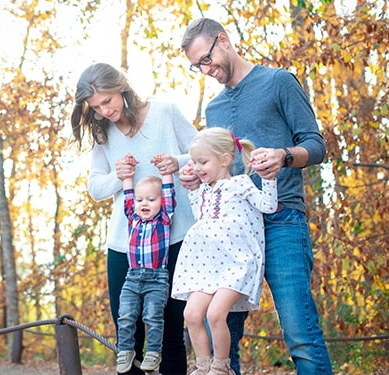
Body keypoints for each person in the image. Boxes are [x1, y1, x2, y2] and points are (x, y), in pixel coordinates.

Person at [179, 18, 333, 375]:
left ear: (223, 40)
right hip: (228, 237)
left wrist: (283, 155)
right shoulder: (214, 109)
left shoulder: (278, 81)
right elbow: (223, 174)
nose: (205, 69)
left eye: (206, 59)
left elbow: (317, 145)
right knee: (222, 345)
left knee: (300, 332)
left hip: (281, 221)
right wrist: (198, 178)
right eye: (196, 66)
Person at [71, 62, 197, 375]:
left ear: (121, 87)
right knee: (128, 334)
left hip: (173, 241)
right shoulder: (104, 134)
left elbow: (203, 153)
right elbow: (95, 187)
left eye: (107, 101)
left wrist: (176, 162)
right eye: (96, 106)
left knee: (169, 334)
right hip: (125, 247)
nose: (104, 111)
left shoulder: (164, 111)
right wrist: (118, 176)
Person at [171, 127, 277, 375]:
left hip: (236, 262)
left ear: (225, 159)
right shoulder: (205, 189)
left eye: (202, 162)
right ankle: (203, 365)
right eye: (194, 161)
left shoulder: (241, 183)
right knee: (192, 313)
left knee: (216, 315)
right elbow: (202, 216)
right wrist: (193, 192)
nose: (196, 167)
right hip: (206, 263)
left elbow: (268, 206)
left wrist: (270, 179)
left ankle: (221, 366)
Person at [115, 153, 176, 373]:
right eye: (141, 200)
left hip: (157, 279)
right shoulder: (132, 218)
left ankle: (153, 352)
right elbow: (128, 195)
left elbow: (169, 193)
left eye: (151, 200)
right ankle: (125, 350)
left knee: (153, 316)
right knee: (126, 315)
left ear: (161, 202)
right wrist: (128, 174)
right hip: (132, 277)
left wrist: (166, 173)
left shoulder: (164, 218)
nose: (144, 204)